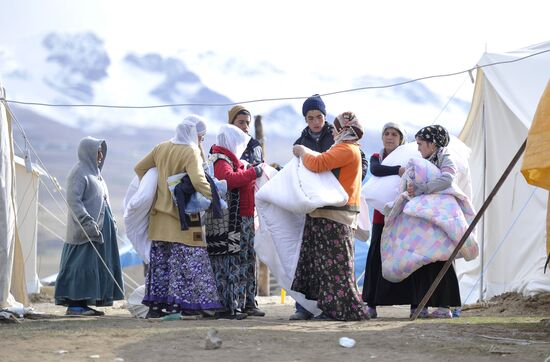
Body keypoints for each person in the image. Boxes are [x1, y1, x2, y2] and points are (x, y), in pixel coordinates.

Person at [289, 94, 368, 320]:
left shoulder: (345, 149)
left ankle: (340, 309)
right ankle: (328, 308)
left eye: (336, 127)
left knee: (334, 265)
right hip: (327, 211)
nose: (333, 132)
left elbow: (318, 163)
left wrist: (304, 152)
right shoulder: (346, 147)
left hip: (336, 212)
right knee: (327, 263)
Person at [134, 117, 222, 318]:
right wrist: (215, 197)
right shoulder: (189, 150)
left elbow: (139, 168)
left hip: (158, 218)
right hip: (182, 219)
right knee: (187, 263)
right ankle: (179, 306)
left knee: (160, 264)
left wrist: (154, 189)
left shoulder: (161, 147)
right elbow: (199, 181)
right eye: (200, 136)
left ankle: (156, 308)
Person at [55, 137, 124, 316]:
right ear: (88, 152)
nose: (100, 156)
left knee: (93, 264)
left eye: (101, 152)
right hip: (84, 230)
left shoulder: (96, 174)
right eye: (97, 152)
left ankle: (84, 303)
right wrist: (86, 222)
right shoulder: (79, 172)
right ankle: (75, 305)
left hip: (99, 230)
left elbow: (103, 202)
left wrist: (111, 223)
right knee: (81, 263)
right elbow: (74, 200)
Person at [207, 124, 263, 319]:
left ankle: (245, 302)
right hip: (233, 221)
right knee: (232, 260)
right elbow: (228, 180)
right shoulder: (220, 160)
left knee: (245, 260)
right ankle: (231, 305)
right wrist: (252, 173)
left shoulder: (231, 159)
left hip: (243, 217)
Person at [361, 122, 417, 318]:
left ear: (401, 138)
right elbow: (376, 170)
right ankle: (371, 303)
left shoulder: (410, 156)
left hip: (403, 215)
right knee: (376, 255)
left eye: (394, 134)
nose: (390, 137)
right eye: (386, 133)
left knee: (406, 256)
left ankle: (415, 304)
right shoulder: (377, 157)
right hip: (381, 217)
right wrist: (398, 170)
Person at [406, 124, 461, 318]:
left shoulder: (445, 157)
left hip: (441, 215)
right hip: (426, 217)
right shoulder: (425, 160)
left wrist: (424, 188)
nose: (419, 148)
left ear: (432, 143)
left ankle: (444, 307)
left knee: (441, 258)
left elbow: (447, 178)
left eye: (421, 144)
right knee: (423, 258)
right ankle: (423, 305)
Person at [226, 105, 266, 317]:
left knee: (250, 256)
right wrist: (251, 170)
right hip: (231, 214)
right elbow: (228, 178)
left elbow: (258, 168)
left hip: (249, 209)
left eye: (248, 123)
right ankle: (235, 302)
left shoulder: (253, 145)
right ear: (231, 124)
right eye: (241, 122)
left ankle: (250, 301)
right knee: (235, 256)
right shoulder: (225, 148)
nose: (245, 126)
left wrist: (253, 170)